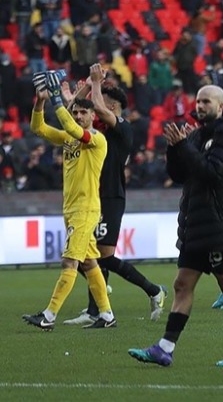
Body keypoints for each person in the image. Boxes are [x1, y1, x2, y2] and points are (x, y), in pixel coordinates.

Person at [128, 85, 223, 367]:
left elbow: (212, 173)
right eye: (197, 101)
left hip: (221, 222)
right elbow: (180, 174)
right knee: (182, 284)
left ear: (220, 107)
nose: (199, 105)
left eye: (206, 101)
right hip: (197, 224)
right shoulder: (197, 135)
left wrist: (184, 147)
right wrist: (174, 148)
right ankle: (164, 348)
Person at [63, 64, 167, 326]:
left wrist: (96, 83)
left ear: (113, 108)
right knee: (90, 253)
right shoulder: (97, 129)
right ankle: (95, 310)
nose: (99, 108)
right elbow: (75, 112)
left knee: (103, 255)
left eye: (105, 104)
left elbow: (95, 106)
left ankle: (153, 290)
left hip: (110, 196)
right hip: (91, 196)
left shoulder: (122, 127)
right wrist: (86, 86)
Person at [22, 71, 115, 330]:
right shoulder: (69, 139)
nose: (78, 117)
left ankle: (49, 316)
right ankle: (107, 316)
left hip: (85, 208)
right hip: (72, 208)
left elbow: (74, 130)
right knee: (88, 262)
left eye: (83, 113)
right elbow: (37, 128)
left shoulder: (97, 140)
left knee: (69, 261)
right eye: (75, 113)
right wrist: (40, 101)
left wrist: (57, 100)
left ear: (92, 116)